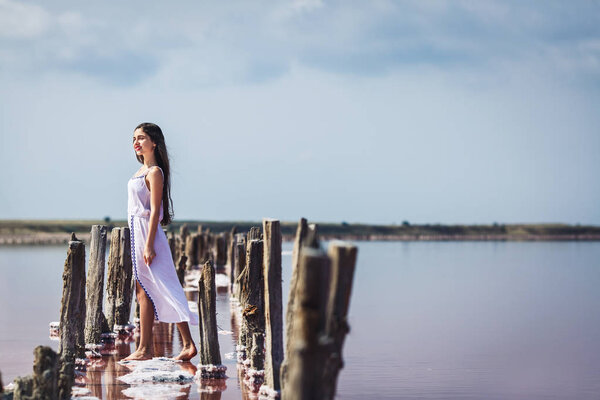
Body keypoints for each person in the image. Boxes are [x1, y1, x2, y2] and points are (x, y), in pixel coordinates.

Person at [123, 122, 198, 361]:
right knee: (143, 291)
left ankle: (176, 345)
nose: (136, 142)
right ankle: (147, 348)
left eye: (142, 137)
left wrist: (149, 244)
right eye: (134, 138)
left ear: (154, 142)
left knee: (164, 286)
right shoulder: (138, 172)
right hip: (136, 232)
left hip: (148, 234)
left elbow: (156, 211)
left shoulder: (154, 172)